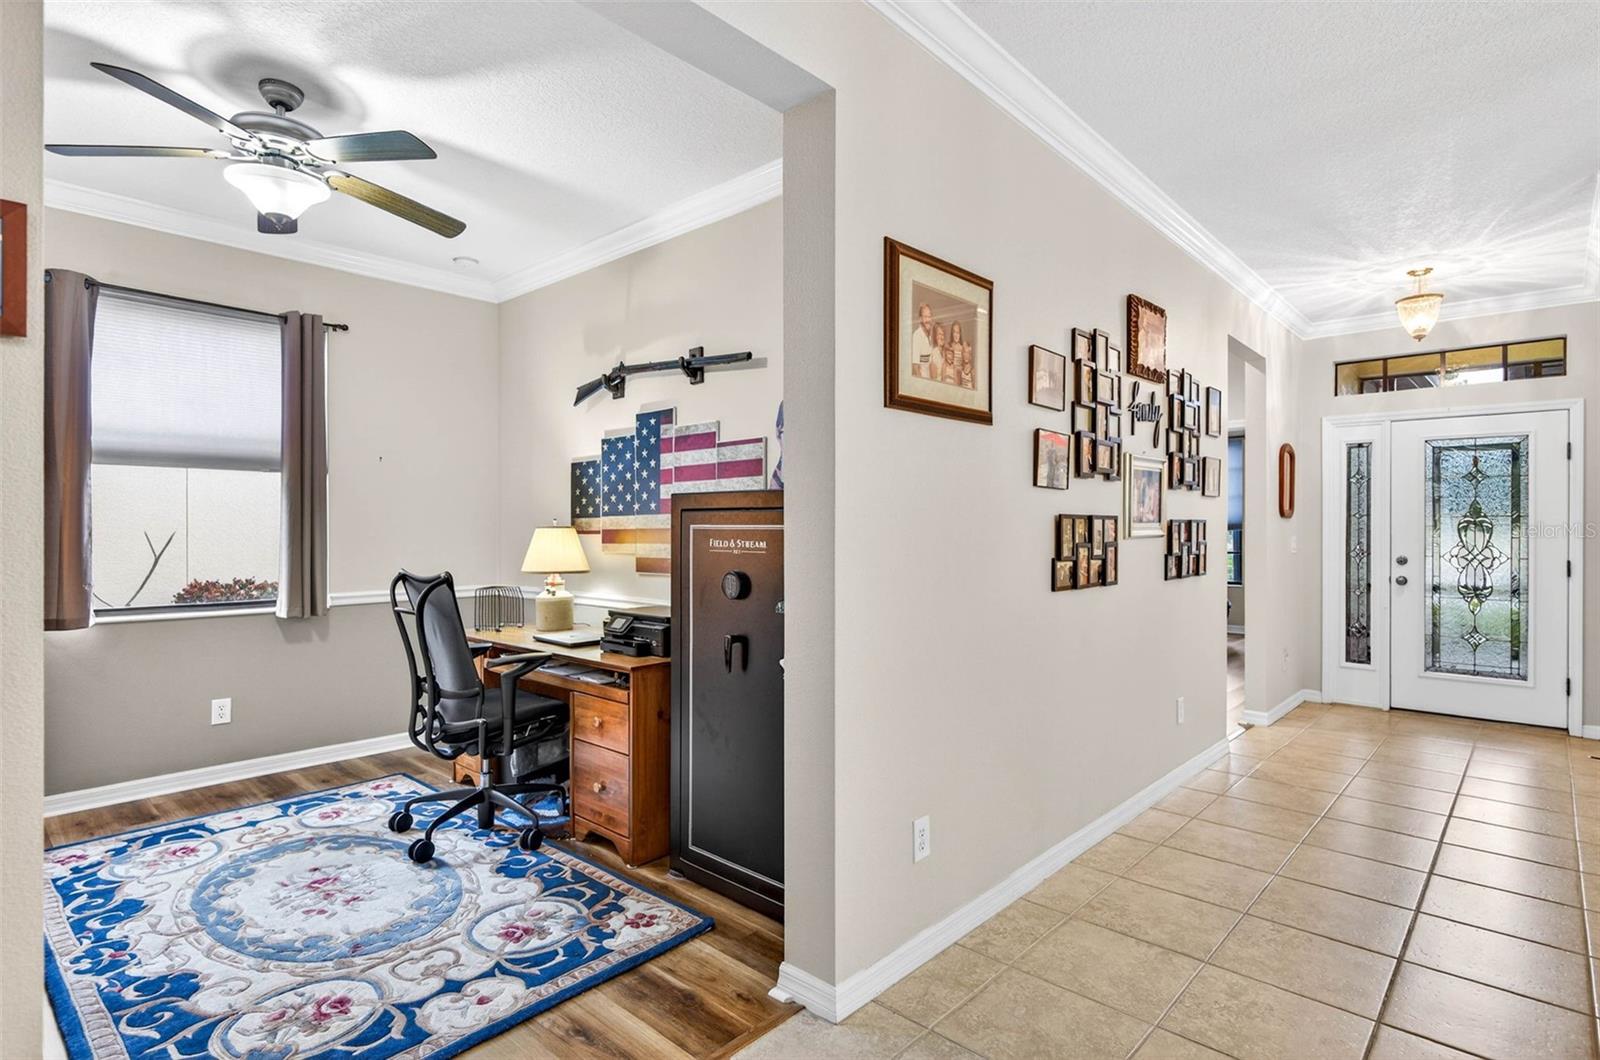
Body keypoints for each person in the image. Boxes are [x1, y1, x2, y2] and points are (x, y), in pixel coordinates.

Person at [910, 302, 936, 378]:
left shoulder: (930, 335)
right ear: (920, 319)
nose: (928, 320)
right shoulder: (917, 335)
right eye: (925, 317)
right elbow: (915, 366)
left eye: (929, 316)